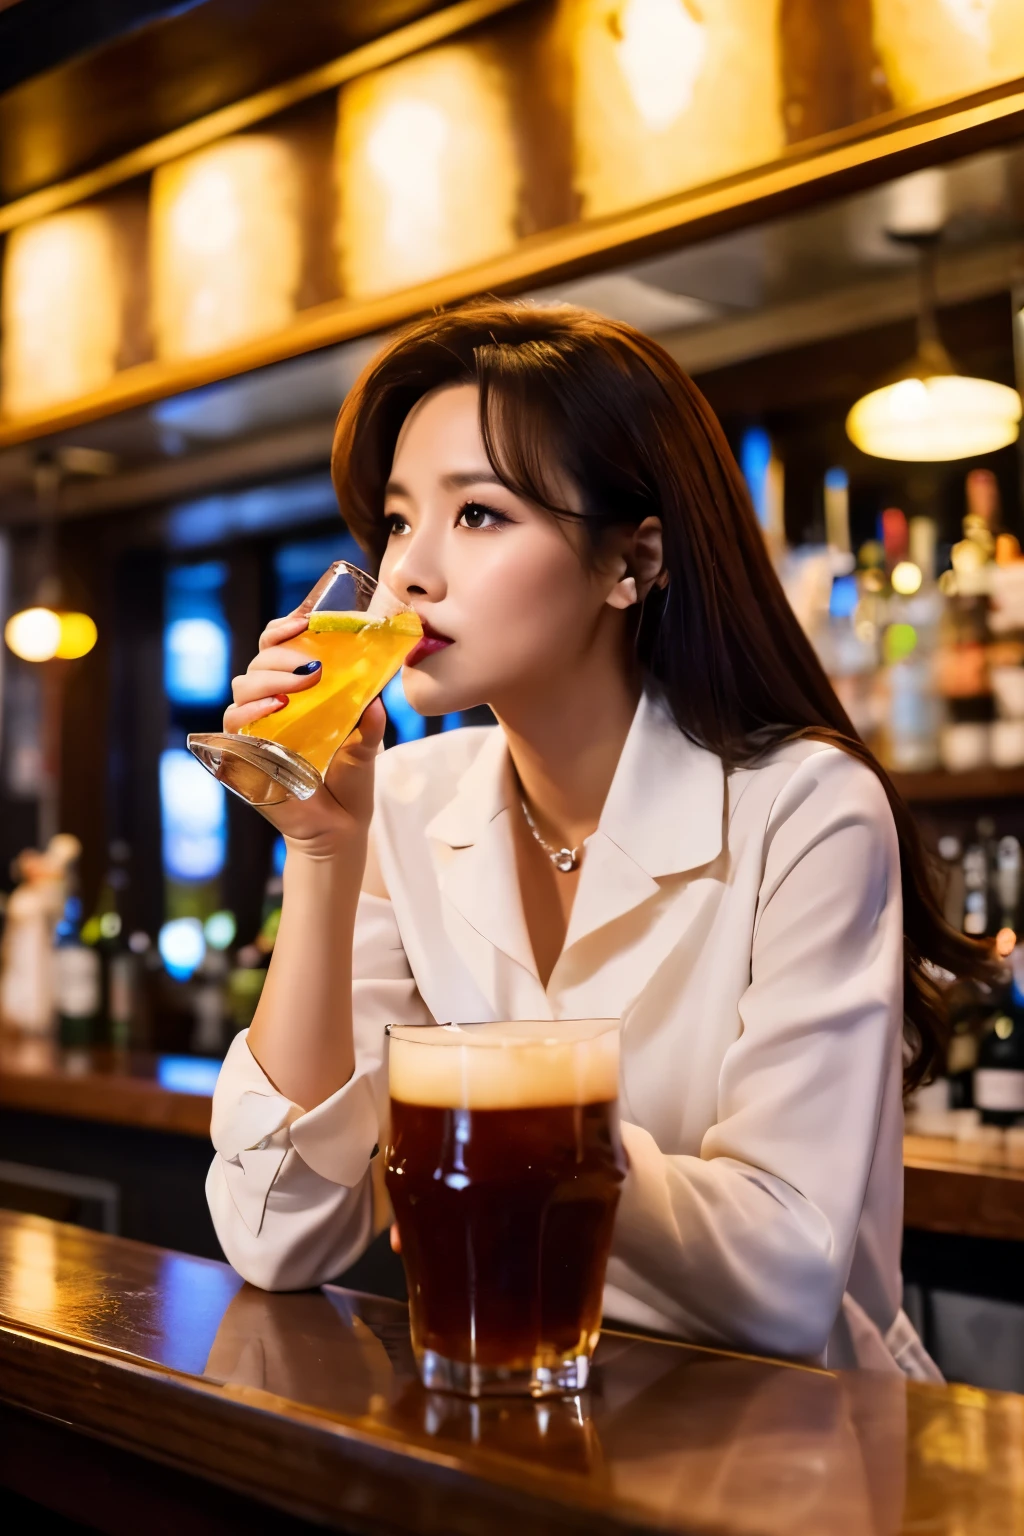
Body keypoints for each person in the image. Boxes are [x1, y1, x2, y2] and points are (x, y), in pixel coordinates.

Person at [207, 300, 990, 1374]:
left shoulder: (805, 806)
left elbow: (782, 1281)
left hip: (801, 1449)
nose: (409, 574)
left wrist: (494, 1121)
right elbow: (278, 1234)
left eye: (477, 515)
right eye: (395, 521)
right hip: (531, 1420)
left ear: (633, 562)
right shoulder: (408, 799)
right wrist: (321, 850)